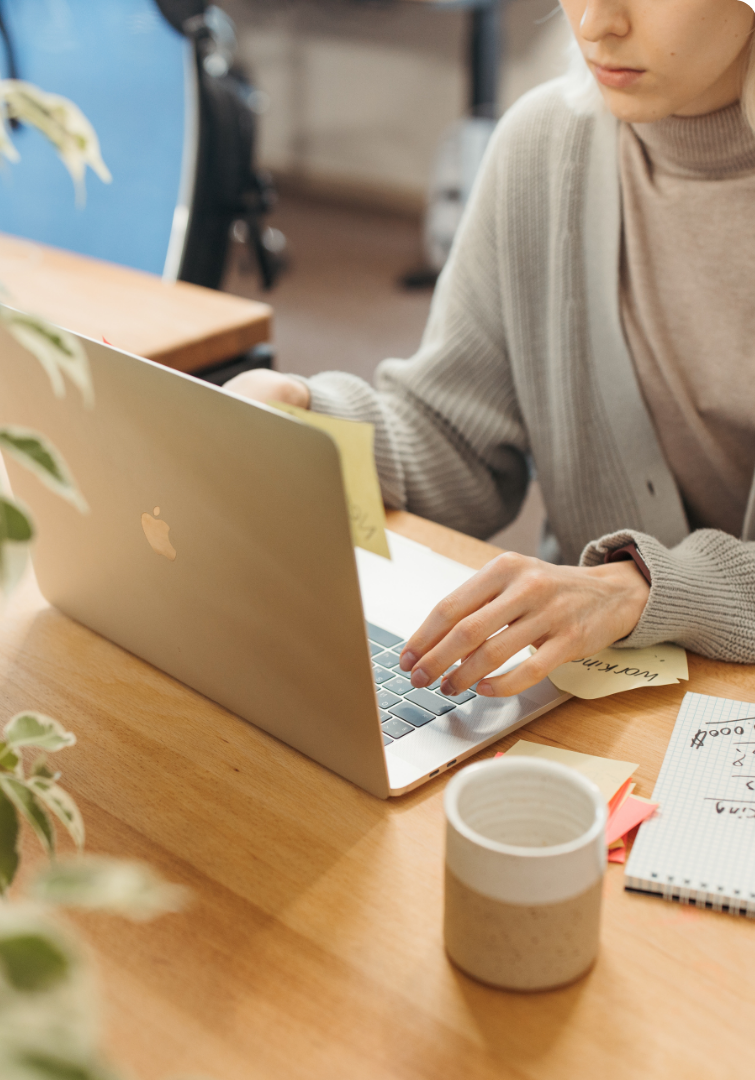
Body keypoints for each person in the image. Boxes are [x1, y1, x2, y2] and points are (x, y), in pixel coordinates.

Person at [226, 0, 755, 701]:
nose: (596, 23)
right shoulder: (543, 143)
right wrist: (314, 419)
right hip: (589, 682)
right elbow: (457, 437)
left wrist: (639, 587)